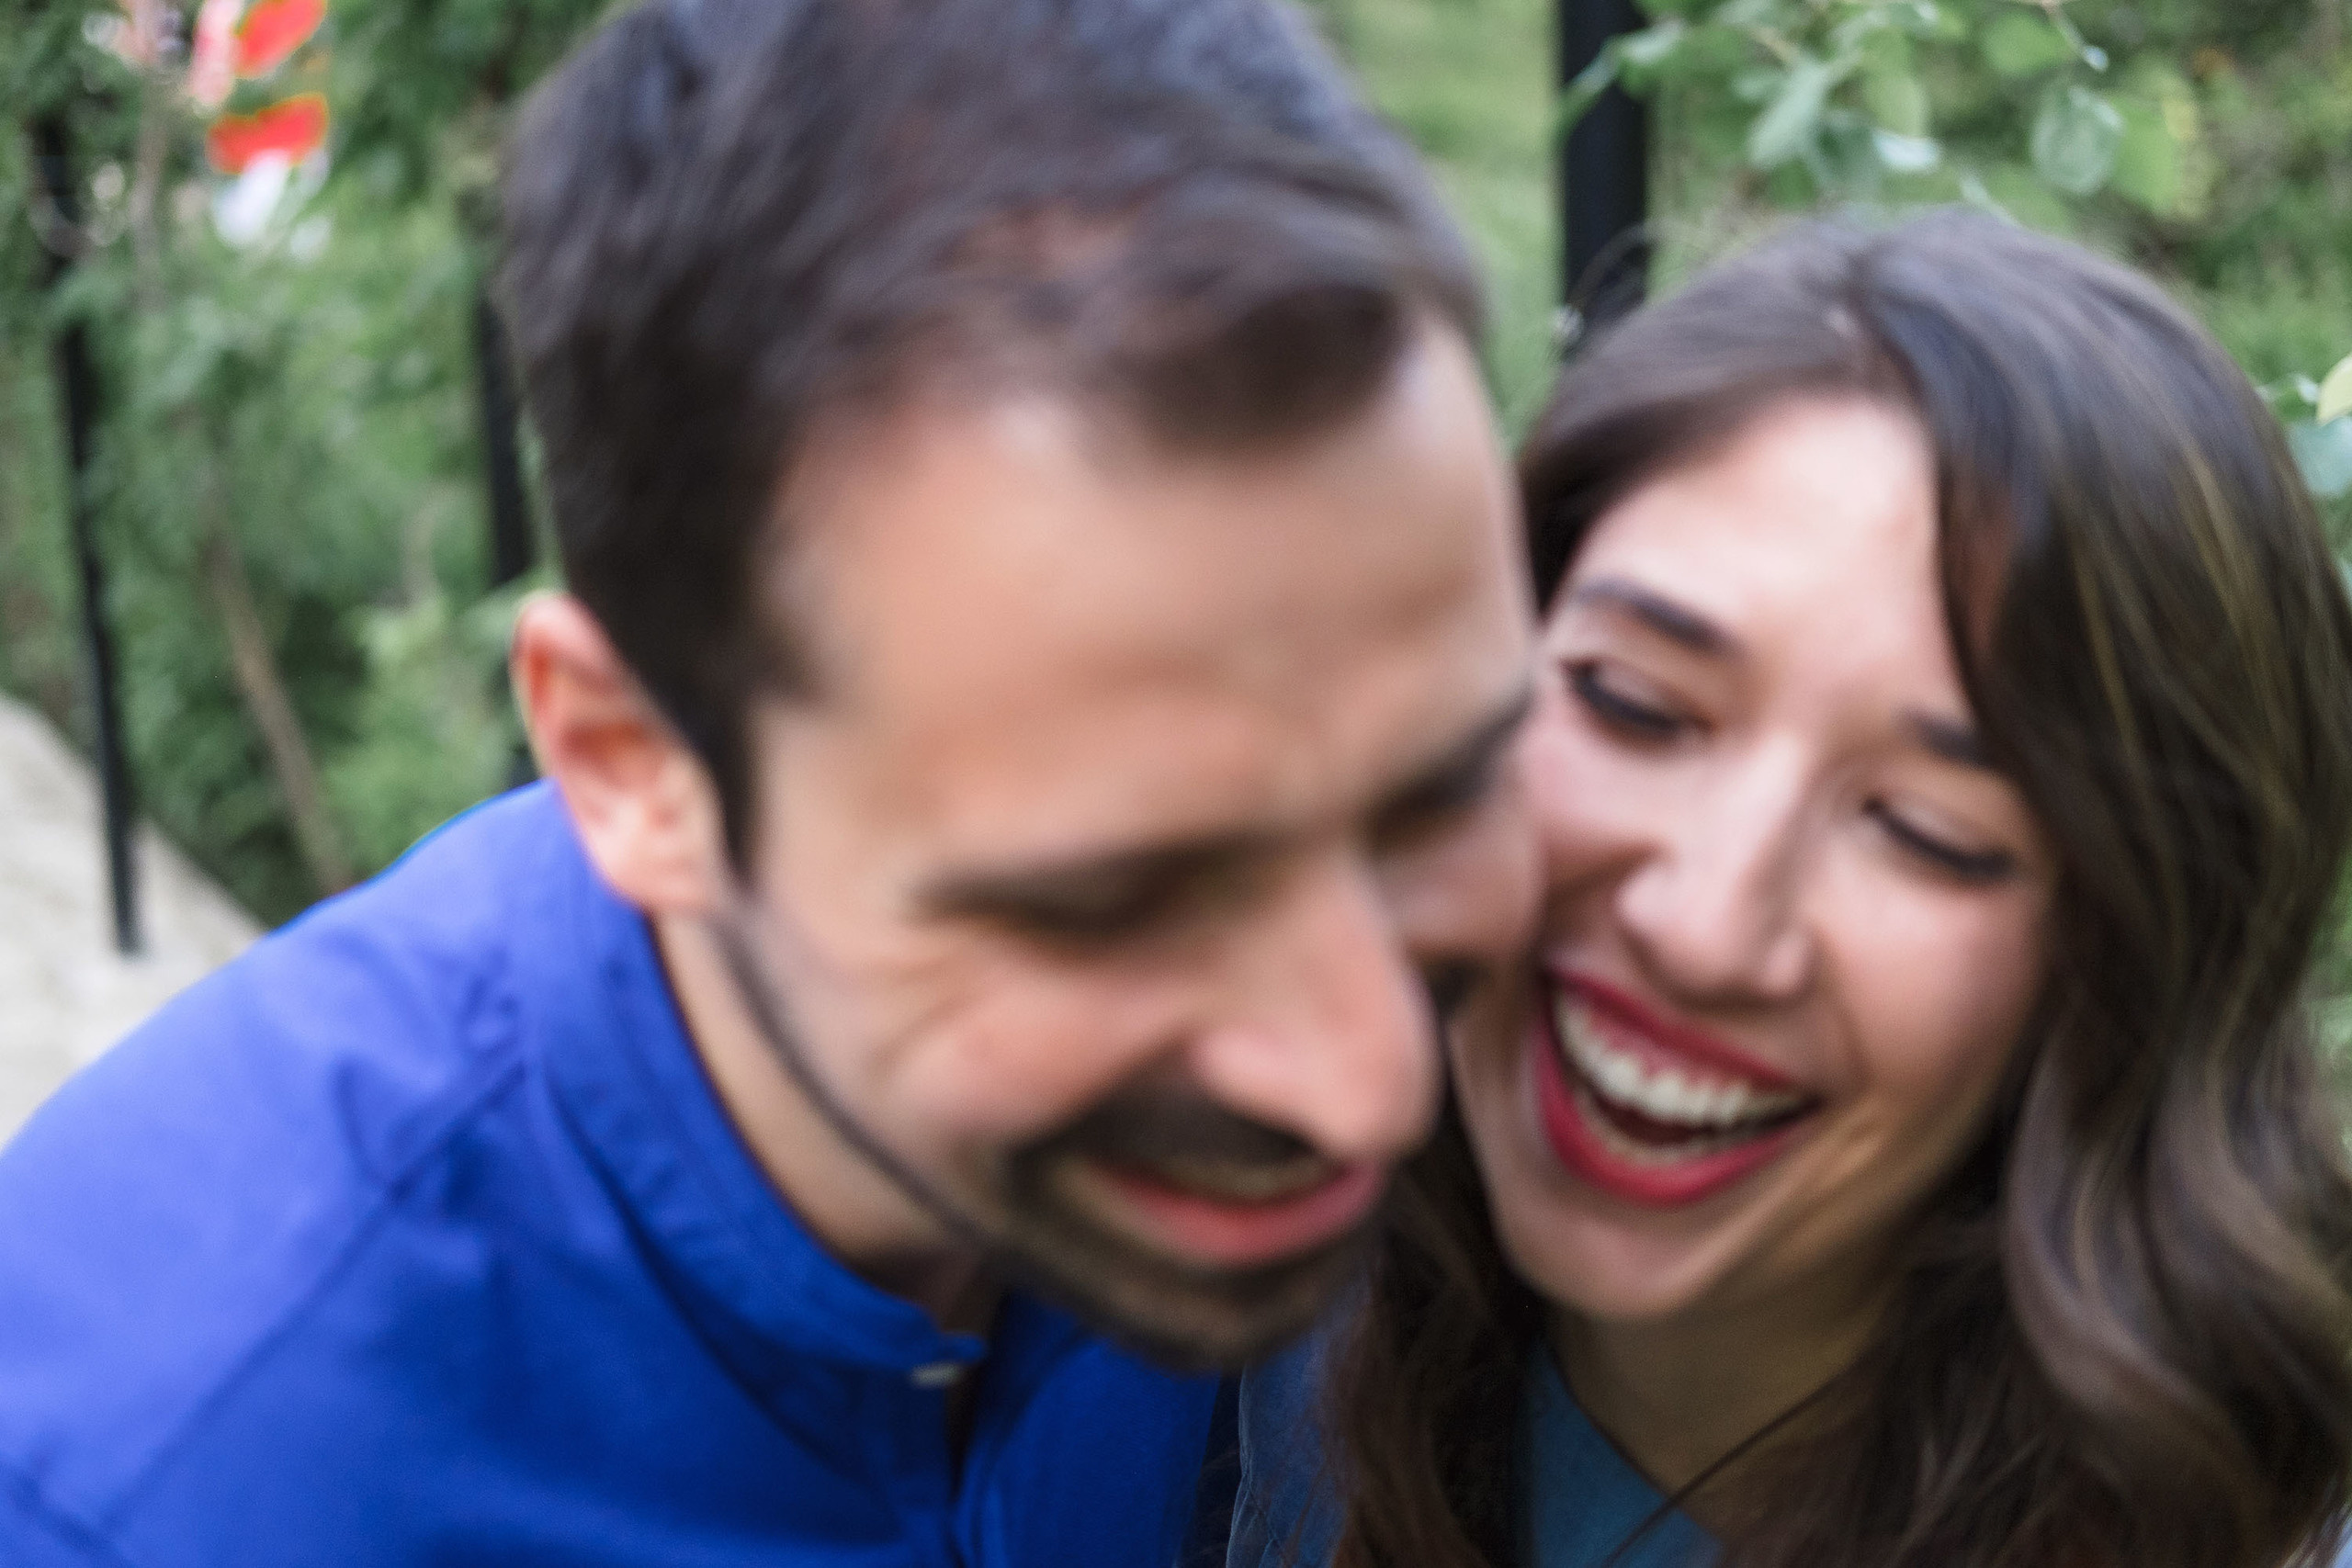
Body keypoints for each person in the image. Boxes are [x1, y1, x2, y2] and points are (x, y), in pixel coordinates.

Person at [0, 1, 1543, 1562]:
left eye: (1442, 793)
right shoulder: (159, 1493)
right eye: (1108, 904)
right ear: (632, 765)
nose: (1372, 1084)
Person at [1229, 211, 2352, 1568]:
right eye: (1634, 704)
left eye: (1926, 832)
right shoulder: (1172, 1280)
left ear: (2127, 965)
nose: (1703, 927)